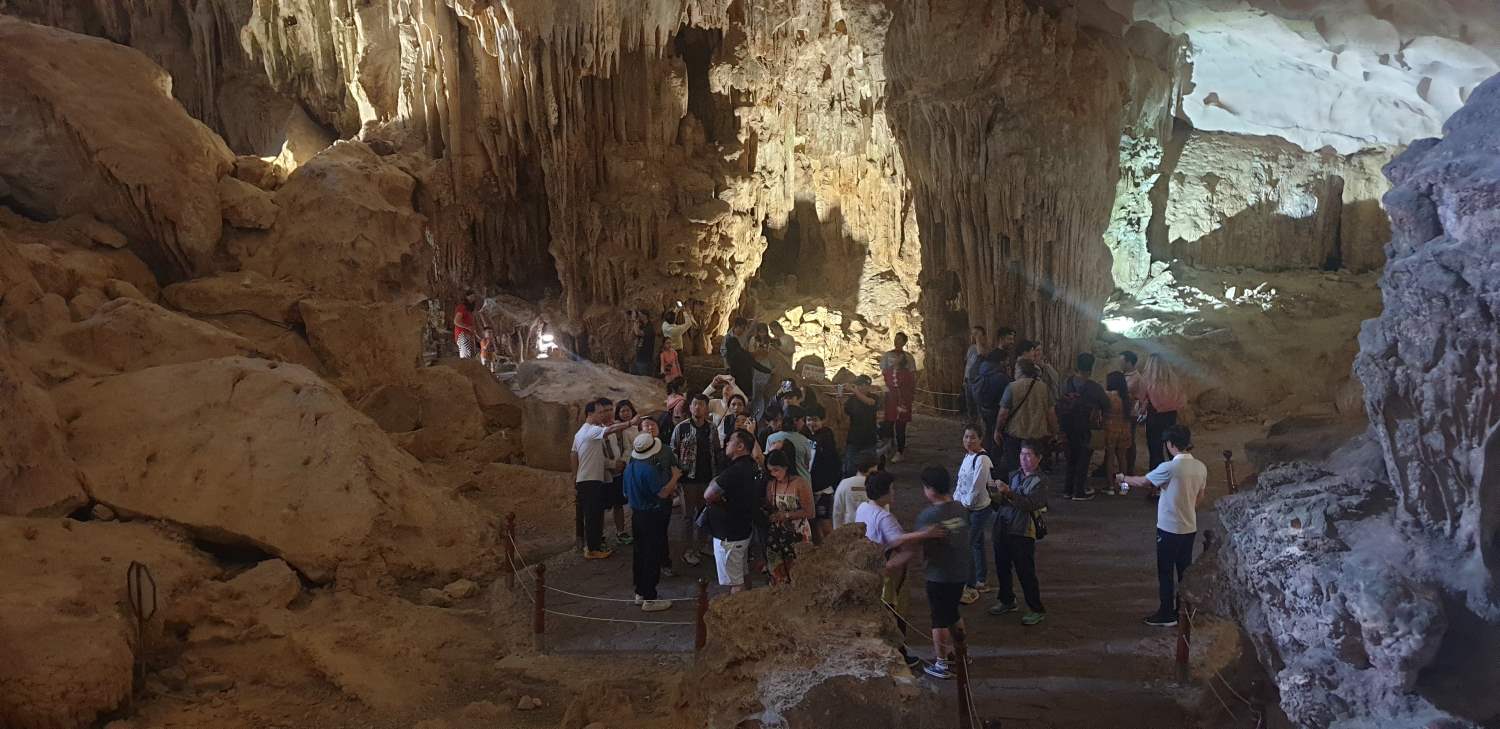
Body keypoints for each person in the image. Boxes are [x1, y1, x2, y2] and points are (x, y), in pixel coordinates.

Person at [1117, 425, 1206, 627]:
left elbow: (1143, 482)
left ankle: (1166, 613)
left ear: (1171, 444)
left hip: (1168, 529)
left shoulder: (1170, 468)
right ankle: (1184, 610)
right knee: (1185, 570)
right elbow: (1200, 497)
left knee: (1165, 571)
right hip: (1189, 528)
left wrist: (1123, 479)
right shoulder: (1200, 467)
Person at [858, 471, 946, 672]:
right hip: (887, 570)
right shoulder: (884, 516)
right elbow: (897, 540)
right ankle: (899, 653)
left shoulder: (864, 508)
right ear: (884, 493)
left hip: (870, 566)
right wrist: (924, 535)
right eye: (891, 489)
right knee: (895, 612)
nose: (894, 492)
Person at [914, 465, 971, 680]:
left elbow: (920, 542)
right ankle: (962, 654)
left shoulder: (928, 515)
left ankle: (942, 663)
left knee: (938, 618)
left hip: (938, 574)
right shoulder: (959, 508)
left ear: (930, 489)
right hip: (960, 571)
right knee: (953, 613)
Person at [987, 440, 1049, 625]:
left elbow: (1030, 504)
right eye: (1022, 454)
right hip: (1004, 526)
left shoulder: (1040, 481)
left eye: (1029, 455)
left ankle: (1036, 608)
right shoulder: (1014, 475)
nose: (1024, 459)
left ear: (1039, 458)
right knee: (1002, 566)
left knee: (1025, 571)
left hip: (1022, 531)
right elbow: (1002, 504)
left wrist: (1008, 493)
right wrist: (994, 494)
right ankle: (1006, 599)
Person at [572, 400, 642, 558]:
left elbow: (573, 454)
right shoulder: (591, 430)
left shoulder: (581, 432)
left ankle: (593, 546)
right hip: (590, 479)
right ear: (590, 414)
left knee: (594, 513)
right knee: (593, 515)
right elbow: (609, 430)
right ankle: (592, 549)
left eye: (605, 411)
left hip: (589, 478)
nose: (603, 415)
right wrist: (630, 422)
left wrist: (574, 477)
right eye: (600, 412)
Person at [624, 432, 678, 612]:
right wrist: (675, 477)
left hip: (637, 514)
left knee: (639, 553)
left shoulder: (630, 467)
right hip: (651, 515)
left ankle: (640, 591)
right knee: (652, 555)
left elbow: (625, 492)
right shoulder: (649, 469)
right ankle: (650, 597)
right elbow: (662, 493)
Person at [704, 429, 760, 593]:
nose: (726, 443)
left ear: (740, 446)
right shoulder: (751, 465)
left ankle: (738, 615)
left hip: (729, 532)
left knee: (734, 582)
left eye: (730, 441)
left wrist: (715, 482)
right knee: (741, 572)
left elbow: (708, 495)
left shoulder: (734, 471)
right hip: (742, 528)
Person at [671, 394, 723, 567]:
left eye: (701, 404)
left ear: (706, 408)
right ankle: (687, 550)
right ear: (690, 407)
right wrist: (675, 476)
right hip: (687, 480)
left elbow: (716, 450)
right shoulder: (681, 428)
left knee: (703, 513)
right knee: (687, 516)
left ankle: (701, 545)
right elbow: (673, 451)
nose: (697, 408)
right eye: (694, 404)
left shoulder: (712, 428)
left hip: (707, 478)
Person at [1058, 353, 1110, 501]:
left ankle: (1067, 490)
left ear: (1076, 366)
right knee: (1083, 459)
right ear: (1091, 368)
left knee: (1071, 459)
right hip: (1086, 427)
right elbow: (1106, 404)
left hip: (1068, 426)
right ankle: (1079, 491)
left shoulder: (1068, 383)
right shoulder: (1094, 388)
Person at [954, 424, 996, 605]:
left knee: (968, 544)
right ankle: (981, 579)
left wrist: (964, 503)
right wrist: (957, 500)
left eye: (972, 437)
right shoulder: (968, 456)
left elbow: (977, 487)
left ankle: (970, 585)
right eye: (966, 437)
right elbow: (961, 482)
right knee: (976, 543)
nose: (968, 441)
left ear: (981, 439)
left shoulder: (982, 460)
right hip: (967, 507)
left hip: (978, 509)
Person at [994, 359, 1058, 478]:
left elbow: (1003, 413)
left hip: (1015, 437)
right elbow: (1051, 413)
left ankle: (1015, 492)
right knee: (1034, 469)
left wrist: (998, 430)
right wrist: (1054, 432)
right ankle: (1033, 491)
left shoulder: (1012, 387)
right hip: (1037, 437)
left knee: (1014, 469)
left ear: (1020, 371)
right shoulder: (1044, 388)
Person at [764, 448, 814, 584]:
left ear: (785, 467)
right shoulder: (771, 485)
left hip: (797, 532)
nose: (773, 474)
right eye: (770, 471)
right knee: (777, 570)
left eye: (776, 470)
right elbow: (769, 507)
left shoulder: (800, 483)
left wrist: (786, 515)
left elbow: (810, 512)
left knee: (798, 570)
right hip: (777, 534)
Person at [601, 400, 640, 545]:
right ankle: (600, 536)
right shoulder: (598, 429)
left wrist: (622, 462)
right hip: (605, 473)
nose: (608, 413)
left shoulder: (619, 428)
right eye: (605, 410)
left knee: (619, 504)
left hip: (621, 470)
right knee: (602, 506)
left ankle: (621, 532)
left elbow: (626, 447)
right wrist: (611, 464)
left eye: (610, 409)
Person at [1138, 354, 1186, 470]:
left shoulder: (1146, 379)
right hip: (1171, 416)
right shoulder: (1174, 379)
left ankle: (1157, 481)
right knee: (1173, 448)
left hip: (1155, 417)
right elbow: (1182, 399)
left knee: (1155, 450)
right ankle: (1177, 476)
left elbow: (1141, 398)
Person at [804, 405, 842, 542]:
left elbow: (833, 462)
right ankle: (821, 549)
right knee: (813, 522)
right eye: (808, 420)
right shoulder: (807, 435)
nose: (811, 423)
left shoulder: (826, 436)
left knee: (824, 521)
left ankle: (833, 549)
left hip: (824, 488)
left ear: (823, 420)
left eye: (815, 420)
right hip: (811, 487)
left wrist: (831, 481)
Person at [880, 333, 917, 463]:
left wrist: (911, 395)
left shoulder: (908, 357)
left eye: (900, 340)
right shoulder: (887, 356)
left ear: (904, 342)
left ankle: (900, 450)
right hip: (890, 396)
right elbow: (884, 373)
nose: (897, 341)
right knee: (889, 422)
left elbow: (912, 377)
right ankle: (889, 446)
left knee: (900, 425)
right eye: (895, 339)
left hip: (903, 396)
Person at [974, 349, 1012, 455]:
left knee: (987, 435)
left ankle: (985, 457)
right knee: (996, 437)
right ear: (1001, 361)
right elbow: (1008, 395)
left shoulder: (980, 370)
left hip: (983, 409)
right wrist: (1008, 376)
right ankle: (994, 464)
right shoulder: (1000, 377)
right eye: (1007, 361)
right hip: (996, 411)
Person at [842, 375, 882, 475]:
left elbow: (870, 402)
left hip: (869, 438)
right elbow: (845, 412)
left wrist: (855, 391)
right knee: (850, 468)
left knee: (871, 468)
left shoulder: (874, 397)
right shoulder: (852, 399)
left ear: (867, 386)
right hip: (854, 438)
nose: (858, 387)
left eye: (860, 385)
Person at [1102, 371, 1134, 494]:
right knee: (1122, 458)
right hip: (1125, 429)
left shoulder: (1108, 396)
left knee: (1110, 457)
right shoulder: (1128, 397)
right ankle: (1123, 487)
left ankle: (1110, 487)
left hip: (1110, 428)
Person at [765, 405, 813, 486]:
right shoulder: (804, 440)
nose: (804, 423)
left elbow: (768, 462)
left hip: (778, 484)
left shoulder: (771, 438)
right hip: (802, 482)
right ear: (795, 421)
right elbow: (807, 463)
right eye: (802, 420)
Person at [831, 452, 881, 529]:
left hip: (849, 529)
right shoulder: (878, 485)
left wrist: (837, 531)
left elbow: (837, 512)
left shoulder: (845, 484)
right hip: (873, 530)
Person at [725, 320, 771, 402]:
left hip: (744, 372)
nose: (743, 330)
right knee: (743, 394)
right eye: (742, 328)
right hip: (742, 373)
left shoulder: (736, 341)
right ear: (736, 327)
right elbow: (747, 357)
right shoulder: (732, 341)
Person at [1117, 351, 1142, 475]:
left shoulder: (1136, 378)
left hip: (1130, 413)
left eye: (1122, 361)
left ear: (1129, 362)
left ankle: (1129, 469)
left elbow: (1124, 393)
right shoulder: (1124, 375)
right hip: (1120, 412)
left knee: (1129, 441)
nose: (1119, 364)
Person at [963, 326, 990, 420]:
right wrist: (964, 379)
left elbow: (982, 355)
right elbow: (968, 364)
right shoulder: (971, 348)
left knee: (979, 405)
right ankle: (972, 426)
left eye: (977, 334)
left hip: (977, 381)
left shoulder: (985, 348)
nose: (974, 336)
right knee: (970, 406)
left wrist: (978, 340)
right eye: (973, 334)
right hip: (968, 381)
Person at [630, 310, 656, 376]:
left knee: (643, 380)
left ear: (644, 316)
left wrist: (634, 320)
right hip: (639, 357)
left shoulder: (649, 327)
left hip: (645, 359)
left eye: (640, 315)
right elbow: (634, 333)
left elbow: (638, 332)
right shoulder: (643, 326)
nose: (639, 317)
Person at [453, 294, 480, 358]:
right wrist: (468, 327)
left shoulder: (469, 310)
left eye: (474, 297)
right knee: (466, 356)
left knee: (470, 356)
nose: (472, 298)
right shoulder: (462, 307)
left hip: (468, 335)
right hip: (463, 334)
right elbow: (456, 321)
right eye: (470, 296)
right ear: (466, 297)